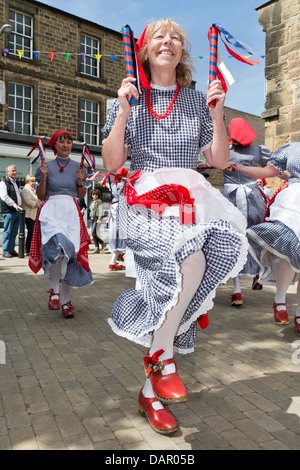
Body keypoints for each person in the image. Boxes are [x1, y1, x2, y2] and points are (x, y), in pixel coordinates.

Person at [101, 18, 248, 435]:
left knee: (195, 268)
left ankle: (152, 386)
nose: (169, 42)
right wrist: (124, 111)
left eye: (177, 38)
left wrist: (218, 114)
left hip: (190, 196)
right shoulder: (127, 98)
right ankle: (163, 362)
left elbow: (218, 161)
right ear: (145, 50)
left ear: (183, 51)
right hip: (146, 198)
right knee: (188, 265)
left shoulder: (198, 100)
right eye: (160, 37)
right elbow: (113, 163)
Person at [226, 142, 300, 336]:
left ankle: (299, 314)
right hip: (294, 202)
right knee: (289, 249)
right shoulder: (292, 148)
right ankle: (280, 300)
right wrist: (237, 167)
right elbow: (268, 171)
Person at [29, 130, 93, 318]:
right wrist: (44, 177)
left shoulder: (78, 167)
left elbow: (80, 196)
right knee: (57, 248)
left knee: (69, 254)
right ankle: (54, 291)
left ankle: (65, 301)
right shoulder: (44, 166)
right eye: (61, 141)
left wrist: (81, 182)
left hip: (71, 213)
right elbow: (41, 196)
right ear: (54, 145)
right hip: (51, 211)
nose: (66, 145)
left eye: (68, 141)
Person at [222, 118, 272, 303]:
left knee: (234, 240)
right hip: (253, 199)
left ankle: (237, 291)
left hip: (230, 200)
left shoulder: (224, 151)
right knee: (255, 236)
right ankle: (257, 272)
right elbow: (273, 165)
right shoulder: (258, 151)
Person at [108, 167, 129, 271]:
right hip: (120, 208)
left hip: (114, 208)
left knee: (115, 232)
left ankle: (118, 256)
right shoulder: (122, 184)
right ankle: (115, 259)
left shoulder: (113, 184)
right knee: (121, 231)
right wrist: (127, 183)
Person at [0, 164, 22, 258]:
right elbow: (4, 196)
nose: (15, 172)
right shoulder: (3, 182)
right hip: (9, 211)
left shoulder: (16, 182)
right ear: (7, 172)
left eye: (15, 170)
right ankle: (5, 251)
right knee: (8, 232)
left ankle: (11, 250)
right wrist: (14, 204)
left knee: (14, 232)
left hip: (17, 211)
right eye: (12, 171)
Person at [21, 174, 40, 255]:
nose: (34, 183)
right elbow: (28, 201)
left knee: (31, 232)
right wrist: (36, 204)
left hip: (32, 214)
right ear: (27, 181)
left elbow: (38, 200)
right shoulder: (26, 190)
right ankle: (27, 249)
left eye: (34, 181)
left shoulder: (32, 190)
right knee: (30, 232)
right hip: (27, 214)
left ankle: (29, 249)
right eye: (32, 181)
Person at [89, 189, 103, 253]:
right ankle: (97, 248)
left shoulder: (99, 201)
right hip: (91, 219)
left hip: (96, 219)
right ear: (91, 195)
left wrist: (99, 219)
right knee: (94, 234)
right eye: (93, 194)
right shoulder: (92, 202)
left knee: (93, 233)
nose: (95, 195)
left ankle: (101, 243)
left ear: (98, 195)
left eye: (96, 194)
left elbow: (100, 210)